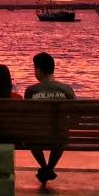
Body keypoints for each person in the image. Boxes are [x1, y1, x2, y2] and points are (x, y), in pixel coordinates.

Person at [24, 51, 75, 184]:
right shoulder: (67, 90)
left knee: (31, 136)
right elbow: (74, 114)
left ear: (39, 70)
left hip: (37, 136)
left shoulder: (31, 91)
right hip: (59, 136)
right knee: (61, 133)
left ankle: (45, 167)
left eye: (34, 68)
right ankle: (49, 169)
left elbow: (27, 116)